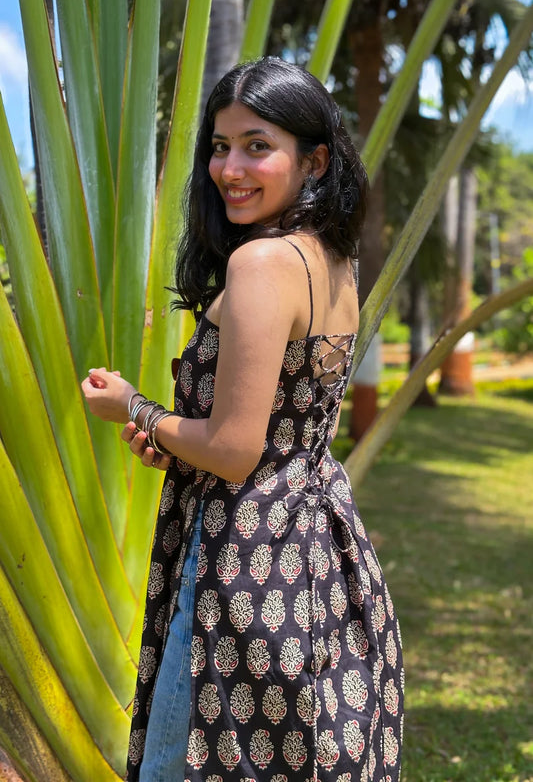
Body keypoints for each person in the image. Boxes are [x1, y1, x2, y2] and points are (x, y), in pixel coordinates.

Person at [82, 56, 404, 782]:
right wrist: (174, 439)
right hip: (316, 544)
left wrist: (131, 406)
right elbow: (280, 427)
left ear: (314, 160)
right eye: (220, 146)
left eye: (257, 146)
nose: (230, 168)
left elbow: (233, 451)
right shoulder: (331, 257)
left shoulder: (261, 264)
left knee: (184, 760)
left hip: (243, 554)